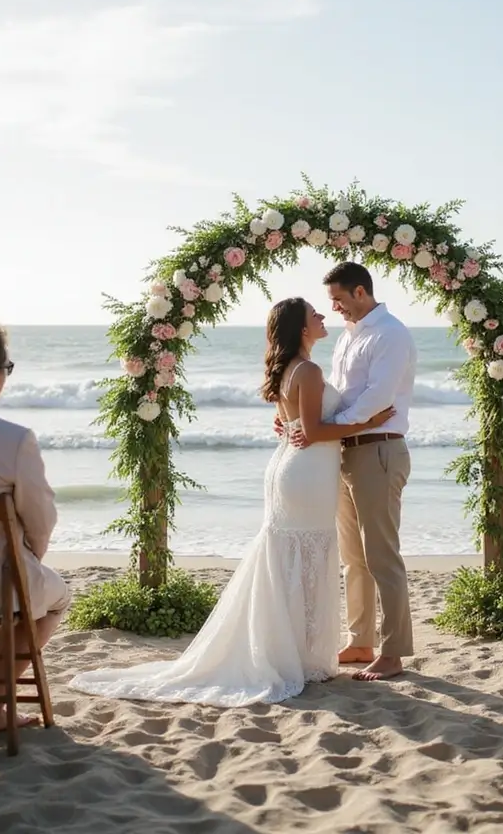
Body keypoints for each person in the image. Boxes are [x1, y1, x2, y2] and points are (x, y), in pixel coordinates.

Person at [70, 298, 393, 707]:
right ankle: (296, 655)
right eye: (315, 314)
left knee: (292, 557)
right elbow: (311, 432)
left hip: (292, 470)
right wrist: (369, 422)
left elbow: (295, 426)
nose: (322, 317)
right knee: (304, 556)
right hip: (305, 474)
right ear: (300, 328)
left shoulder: (292, 369)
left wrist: (303, 426)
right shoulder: (308, 370)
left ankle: (297, 652)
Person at [289, 263, 416, 681]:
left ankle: (393, 652)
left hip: (378, 451)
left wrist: (324, 430)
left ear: (360, 292)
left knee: (382, 555)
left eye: (338, 300)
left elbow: (376, 400)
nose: (334, 309)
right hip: (343, 452)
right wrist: (307, 424)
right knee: (353, 559)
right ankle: (361, 640)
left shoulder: (391, 335)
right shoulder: (349, 337)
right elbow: (341, 398)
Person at [0, 321, 70, 739]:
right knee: (54, 598)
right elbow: (41, 520)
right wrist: (31, 561)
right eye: (7, 368)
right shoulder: (13, 439)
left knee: (25, 590)